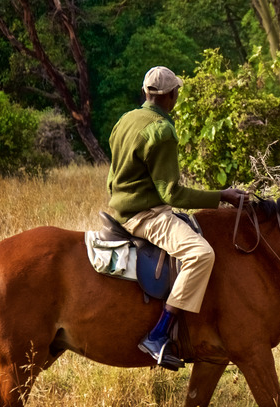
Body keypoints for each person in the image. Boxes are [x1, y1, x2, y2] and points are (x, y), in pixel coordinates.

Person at [107, 66, 249, 370]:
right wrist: (222, 195)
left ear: (146, 93)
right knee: (201, 254)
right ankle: (158, 334)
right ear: (171, 96)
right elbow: (171, 193)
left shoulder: (124, 120)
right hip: (145, 216)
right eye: (176, 94)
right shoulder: (162, 130)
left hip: (119, 208)